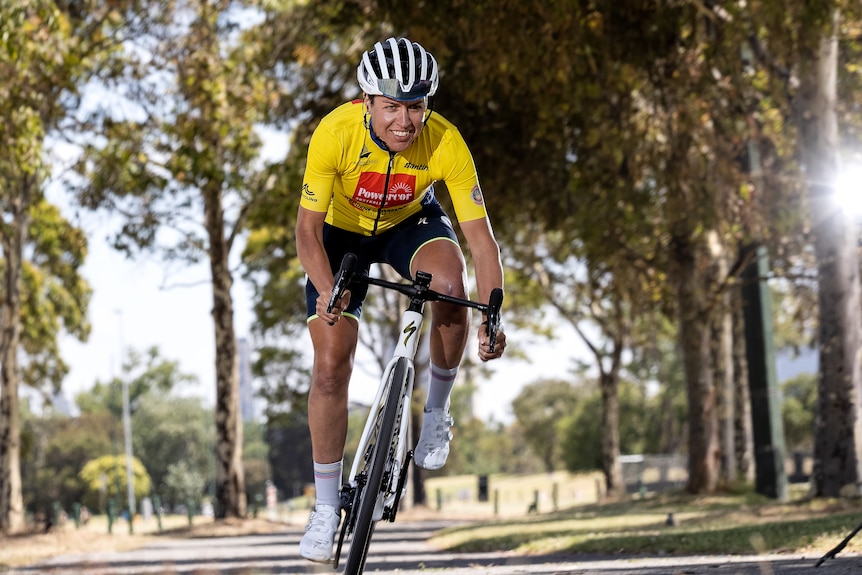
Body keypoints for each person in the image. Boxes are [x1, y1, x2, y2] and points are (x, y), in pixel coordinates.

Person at [295, 36, 507, 563]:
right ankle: (325, 509)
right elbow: (306, 230)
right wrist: (328, 292)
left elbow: (480, 239)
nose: (404, 122)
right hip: (339, 238)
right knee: (329, 365)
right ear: (366, 102)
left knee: (451, 288)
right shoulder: (334, 133)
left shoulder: (446, 142)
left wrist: (495, 311)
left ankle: (435, 412)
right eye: (391, 106)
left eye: (415, 106)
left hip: (409, 226)